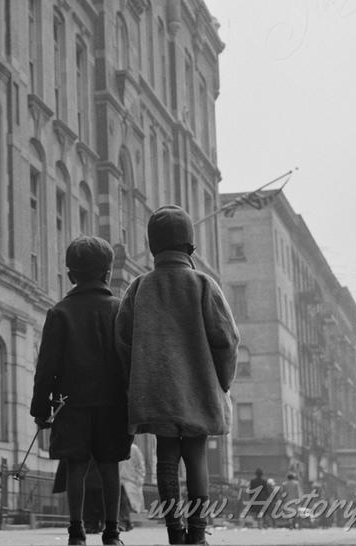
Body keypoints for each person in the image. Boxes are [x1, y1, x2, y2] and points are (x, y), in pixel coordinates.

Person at [116, 205, 239, 546]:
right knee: (196, 456)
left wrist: (136, 381)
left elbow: (122, 342)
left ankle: (175, 533)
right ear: (191, 248)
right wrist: (221, 381)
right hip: (199, 389)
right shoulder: (203, 284)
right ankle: (197, 535)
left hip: (155, 391)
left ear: (153, 247)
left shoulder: (139, 288)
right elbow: (227, 340)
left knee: (166, 457)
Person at [31, 235, 132, 546]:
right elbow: (130, 359)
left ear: (71, 275)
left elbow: (46, 366)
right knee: (109, 465)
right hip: (113, 405)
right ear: (107, 274)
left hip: (70, 403)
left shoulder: (59, 313)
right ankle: (112, 533)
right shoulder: (120, 309)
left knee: (76, 465)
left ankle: (76, 532)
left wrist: (41, 409)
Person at [119, 441, 146, 531]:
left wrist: (139, 480)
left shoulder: (134, 449)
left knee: (125, 498)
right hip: (118, 479)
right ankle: (125, 522)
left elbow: (140, 465)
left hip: (131, 481)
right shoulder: (115, 447)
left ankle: (124, 521)